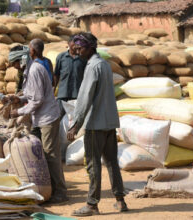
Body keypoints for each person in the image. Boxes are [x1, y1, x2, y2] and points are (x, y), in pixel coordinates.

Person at [67, 33, 128, 216]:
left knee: (93, 165)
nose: (78, 52)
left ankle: (92, 204)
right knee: (111, 163)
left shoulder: (93, 67)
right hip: (109, 122)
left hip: (95, 124)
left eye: (80, 48)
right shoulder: (105, 65)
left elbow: (85, 98)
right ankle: (120, 200)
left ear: (90, 47)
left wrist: (76, 124)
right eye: (76, 49)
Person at [10, 39, 68, 204]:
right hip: (39, 118)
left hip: (47, 118)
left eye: (15, 63)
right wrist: (19, 98)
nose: (15, 67)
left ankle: (60, 192)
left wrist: (18, 112)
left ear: (21, 59)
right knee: (38, 152)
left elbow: (37, 100)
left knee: (50, 154)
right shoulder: (29, 69)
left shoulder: (35, 69)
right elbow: (31, 95)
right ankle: (46, 188)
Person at [54, 35, 86, 117]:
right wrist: (53, 89)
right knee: (59, 116)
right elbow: (56, 74)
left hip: (77, 94)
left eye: (78, 43)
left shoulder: (83, 58)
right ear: (68, 43)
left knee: (75, 117)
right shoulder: (61, 57)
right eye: (74, 42)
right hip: (63, 94)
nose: (76, 45)